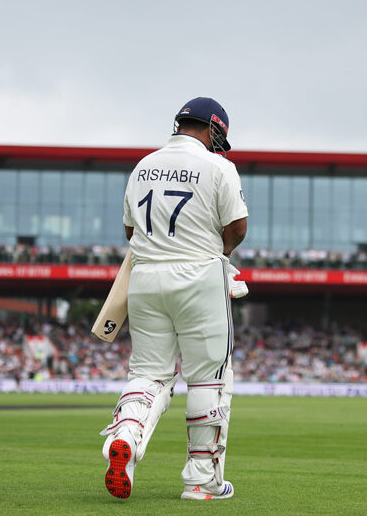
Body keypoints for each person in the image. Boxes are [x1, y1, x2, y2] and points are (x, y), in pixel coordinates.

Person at [99, 97, 248, 501]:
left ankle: (126, 436)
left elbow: (131, 232)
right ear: (213, 128)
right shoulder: (218, 166)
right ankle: (201, 481)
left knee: (149, 373)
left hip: (145, 277)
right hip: (199, 275)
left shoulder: (143, 166)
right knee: (209, 378)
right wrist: (214, 251)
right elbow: (237, 228)